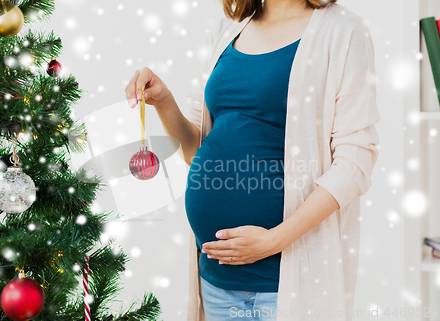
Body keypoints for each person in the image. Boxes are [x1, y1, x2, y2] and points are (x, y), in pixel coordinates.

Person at [125, 0, 380, 320]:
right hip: (217, 283)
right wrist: (163, 101)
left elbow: (355, 161)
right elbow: (196, 150)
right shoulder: (226, 30)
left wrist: (273, 240)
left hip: (285, 285)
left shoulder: (343, 31)